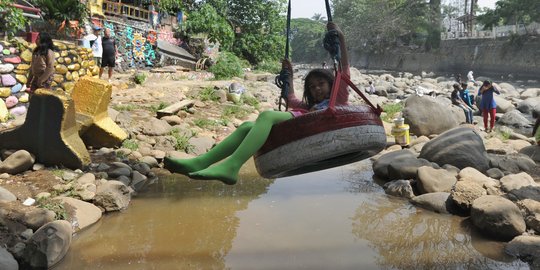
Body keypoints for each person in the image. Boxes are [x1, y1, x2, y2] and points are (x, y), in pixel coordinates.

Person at [164, 22, 350, 185]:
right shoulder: (309, 108)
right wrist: (289, 75)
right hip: (306, 126)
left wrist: (339, 37)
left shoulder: (338, 98)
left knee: (267, 115)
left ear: (332, 84)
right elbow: (291, 98)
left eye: (321, 84)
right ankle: (201, 162)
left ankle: (232, 166)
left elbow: (344, 68)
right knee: (246, 126)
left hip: (320, 127)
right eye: (312, 87)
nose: (317, 89)